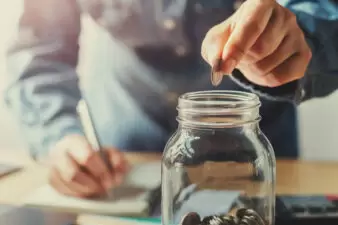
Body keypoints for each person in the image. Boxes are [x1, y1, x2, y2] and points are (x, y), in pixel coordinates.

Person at [4, 0, 338, 197]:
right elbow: (38, 51)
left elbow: (322, 11)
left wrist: (299, 38)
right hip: (120, 161)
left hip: (252, 157)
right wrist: (59, 137)